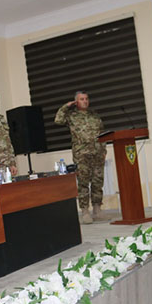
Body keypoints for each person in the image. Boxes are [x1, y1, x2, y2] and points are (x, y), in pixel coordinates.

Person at [54, 90, 106, 224]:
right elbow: (58, 120)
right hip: (81, 154)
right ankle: (85, 211)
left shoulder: (94, 115)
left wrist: (103, 150)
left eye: (86, 99)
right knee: (83, 183)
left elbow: (102, 133)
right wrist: (66, 106)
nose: (85, 101)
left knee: (98, 181)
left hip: (97, 153)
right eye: (82, 99)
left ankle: (97, 210)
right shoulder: (71, 116)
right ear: (76, 102)